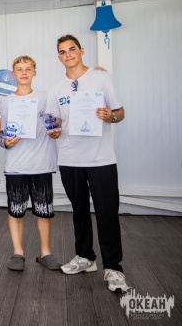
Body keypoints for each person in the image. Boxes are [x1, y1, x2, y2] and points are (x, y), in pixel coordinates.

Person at [46, 34, 128, 293]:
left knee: (107, 212)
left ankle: (113, 267)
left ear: (81, 51)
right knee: (79, 211)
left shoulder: (101, 77)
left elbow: (120, 112)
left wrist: (110, 116)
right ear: (59, 57)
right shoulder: (56, 88)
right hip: (69, 158)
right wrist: (54, 131)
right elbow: (54, 122)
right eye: (62, 52)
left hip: (100, 159)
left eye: (72, 49)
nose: (68, 54)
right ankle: (85, 257)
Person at [0, 56, 60, 271]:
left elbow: (58, 121)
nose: (24, 72)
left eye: (28, 69)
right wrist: (5, 142)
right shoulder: (4, 103)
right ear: (13, 74)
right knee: (16, 211)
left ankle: (46, 253)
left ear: (35, 72)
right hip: (16, 165)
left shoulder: (46, 98)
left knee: (44, 210)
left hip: (42, 163)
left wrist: (56, 130)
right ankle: (18, 253)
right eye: (19, 69)